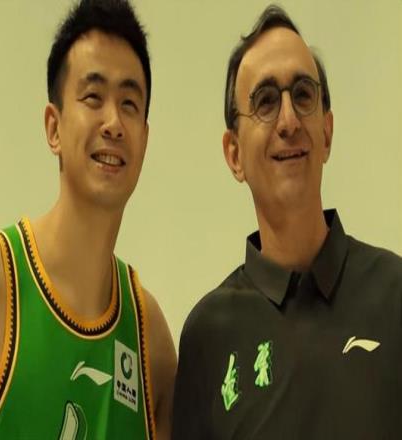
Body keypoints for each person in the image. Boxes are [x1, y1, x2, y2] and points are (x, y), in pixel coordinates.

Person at [0, 1, 176, 438]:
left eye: (129, 103)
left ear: (144, 138)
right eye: (93, 97)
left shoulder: (151, 342)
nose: (113, 123)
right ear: (54, 127)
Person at [172, 5, 402, 439]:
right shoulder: (207, 336)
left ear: (327, 132)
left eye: (303, 94)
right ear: (234, 154)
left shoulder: (395, 293)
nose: (289, 121)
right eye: (265, 101)